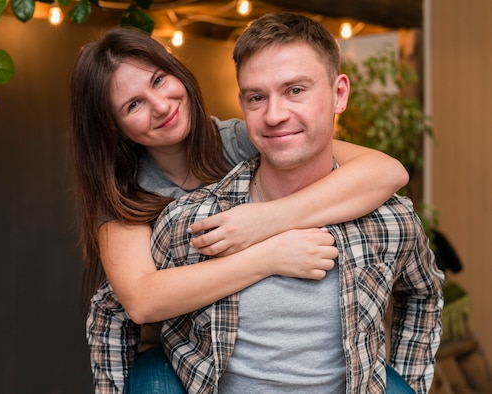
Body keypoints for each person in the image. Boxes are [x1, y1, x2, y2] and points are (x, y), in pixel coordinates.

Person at [69, 27, 409, 393]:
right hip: (188, 355)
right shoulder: (124, 192)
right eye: (133, 105)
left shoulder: (243, 140)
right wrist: (268, 256)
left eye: (158, 80)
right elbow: (143, 300)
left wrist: (266, 220)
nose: (161, 105)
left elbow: (387, 172)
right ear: (113, 127)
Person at [149, 13, 444, 394]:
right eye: (257, 97)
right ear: (242, 103)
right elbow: (115, 310)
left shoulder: (389, 220)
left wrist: (406, 383)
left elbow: (424, 294)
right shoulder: (195, 220)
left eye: (295, 91)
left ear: (339, 94)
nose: (274, 115)